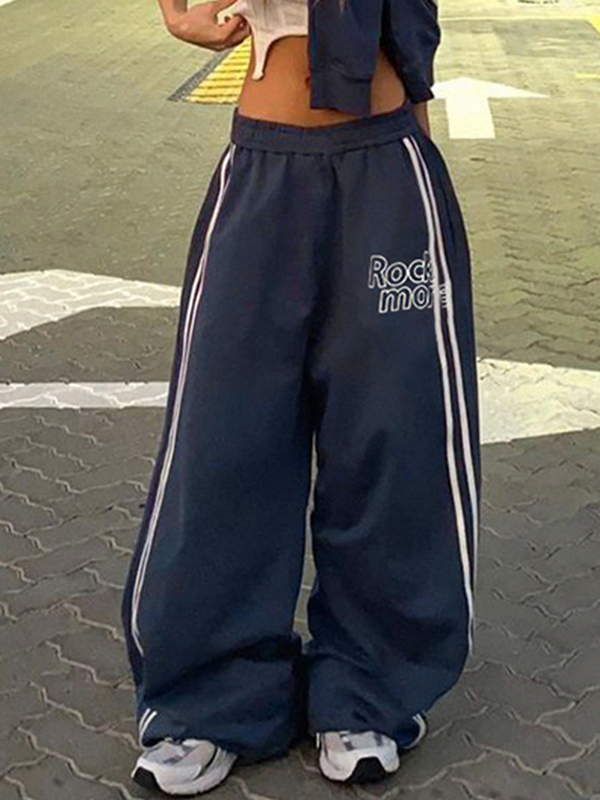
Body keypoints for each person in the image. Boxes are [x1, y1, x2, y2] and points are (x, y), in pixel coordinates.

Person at [121, 0, 481, 794]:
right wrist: (175, 14)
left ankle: (369, 688)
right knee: (224, 437)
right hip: (262, 169)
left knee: (393, 438)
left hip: (386, 166)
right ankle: (210, 696)